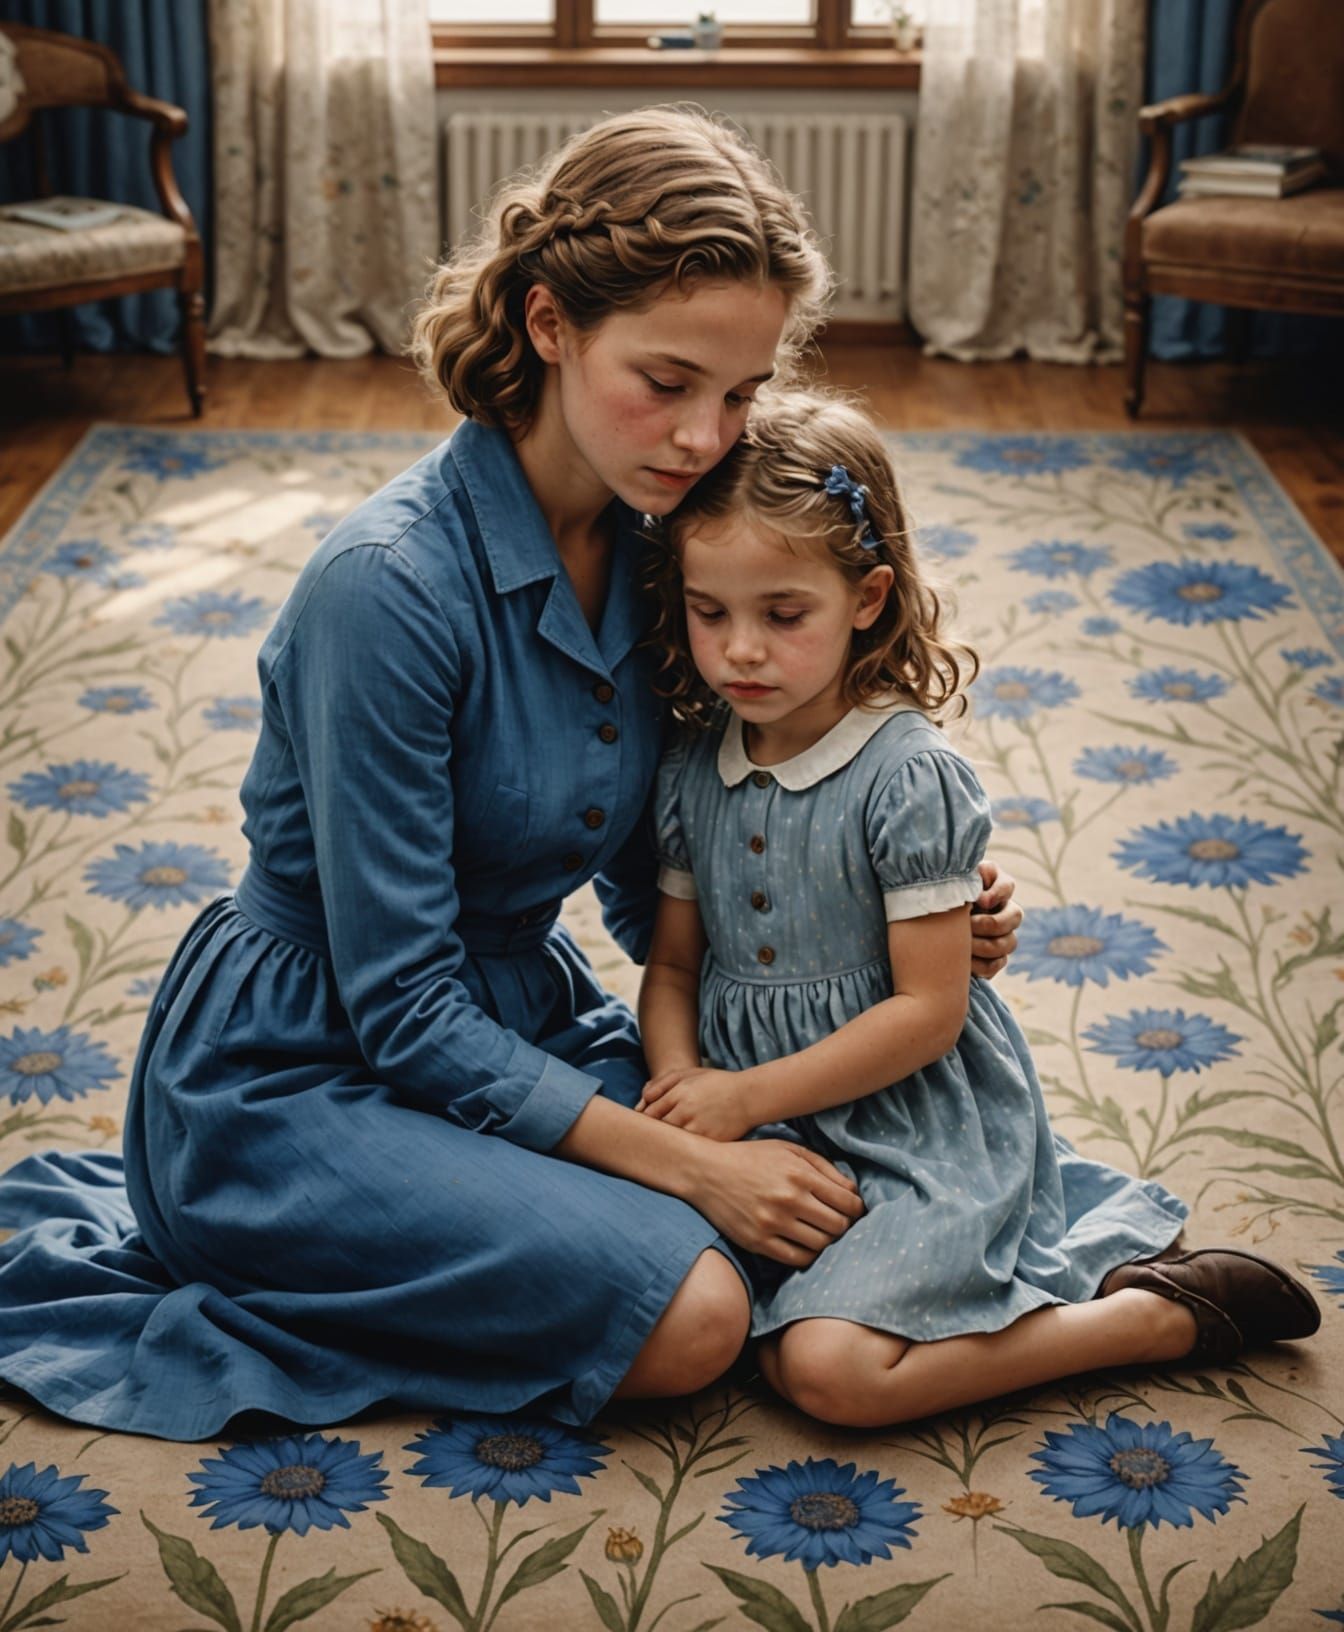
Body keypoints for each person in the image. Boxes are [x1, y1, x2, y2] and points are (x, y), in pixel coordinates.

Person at [0, 108, 1024, 1441]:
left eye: (741, 392)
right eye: (666, 380)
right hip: (300, 1074)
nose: (706, 436)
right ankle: (262, 1255)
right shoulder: (385, 591)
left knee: (835, 1212)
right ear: (549, 324)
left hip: (509, 1013)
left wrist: (893, 904)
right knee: (700, 1315)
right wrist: (697, 1163)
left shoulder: (667, 550)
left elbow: (673, 847)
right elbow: (404, 1009)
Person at [636, 388, 1321, 1429]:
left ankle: (1151, 1319)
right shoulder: (691, 766)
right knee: (675, 1307)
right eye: (709, 612)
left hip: (909, 1123)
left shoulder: (907, 777)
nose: (739, 651)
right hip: (751, 1118)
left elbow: (929, 1013)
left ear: (866, 598)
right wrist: (687, 1092)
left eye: (784, 615)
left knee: (825, 1374)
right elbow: (675, 965)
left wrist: (741, 1099)